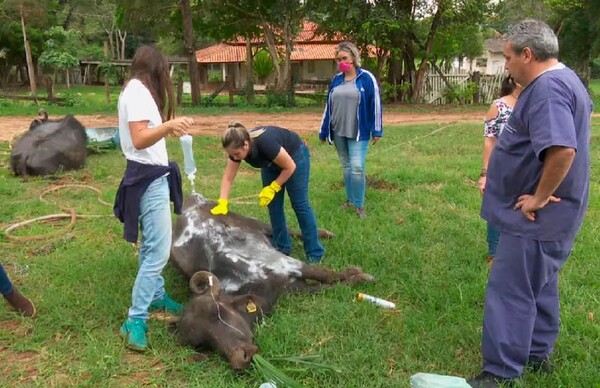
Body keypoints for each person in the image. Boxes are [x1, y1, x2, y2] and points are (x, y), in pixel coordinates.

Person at [469, 19, 592, 387]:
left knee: (510, 289)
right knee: (540, 284)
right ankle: (538, 354)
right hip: (559, 216)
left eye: (507, 57)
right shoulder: (568, 79)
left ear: (527, 54)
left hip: (538, 217)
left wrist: (537, 197)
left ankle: (502, 372)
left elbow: (562, 150)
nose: (505, 64)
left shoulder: (548, 89)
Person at [113, 45, 194, 351]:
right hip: (148, 178)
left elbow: (147, 134)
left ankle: (156, 293)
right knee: (159, 251)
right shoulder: (136, 91)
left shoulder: (136, 90)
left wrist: (164, 130)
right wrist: (169, 125)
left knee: (150, 245)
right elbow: (139, 138)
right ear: (155, 68)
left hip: (148, 174)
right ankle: (135, 320)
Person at [211, 122, 325, 263]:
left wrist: (273, 187)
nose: (234, 157)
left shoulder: (266, 143)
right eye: (231, 155)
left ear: (246, 145)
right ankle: (281, 247)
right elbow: (228, 178)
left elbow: (290, 167)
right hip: (270, 163)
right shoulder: (237, 148)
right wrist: (223, 201)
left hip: (294, 158)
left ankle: (315, 252)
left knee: (300, 204)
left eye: (236, 154)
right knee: (273, 205)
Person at [319, 41, 383, 219]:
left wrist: (377, 130)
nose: (341, 62)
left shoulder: (366, 78)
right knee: (347, 167)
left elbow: (375, 104)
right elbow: (328, 106)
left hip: (358, 131)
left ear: (354, 58)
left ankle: (359, 204)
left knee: (357, 168)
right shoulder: (336, 80)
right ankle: (350, 200)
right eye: (338, 59)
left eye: (344, 58)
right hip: (338, 130)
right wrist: (323, 131)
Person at [478, 76, 522, 265]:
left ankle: (520, 250)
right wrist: (485, 174)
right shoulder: (499, 106)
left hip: (529, 171)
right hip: (502, 170)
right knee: (497, 211)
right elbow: (490, 140)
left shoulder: (539, 103)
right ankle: (494, 253)